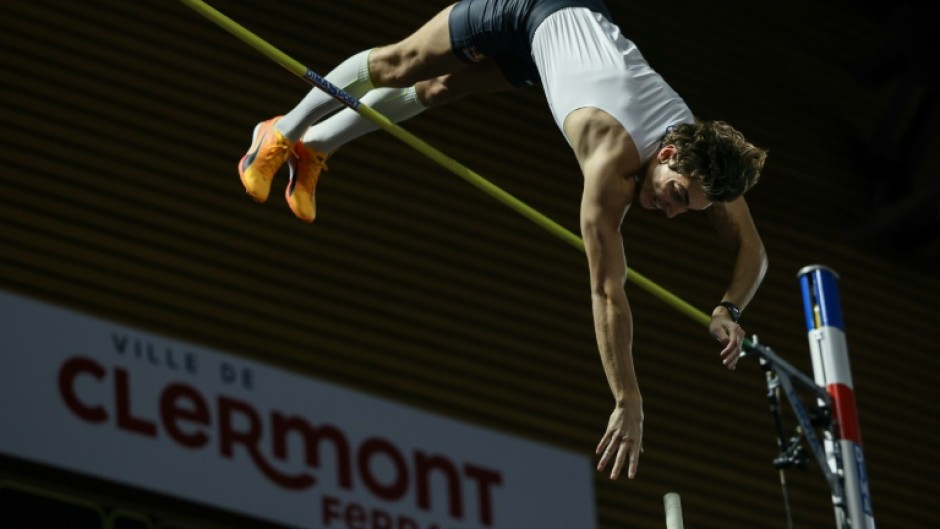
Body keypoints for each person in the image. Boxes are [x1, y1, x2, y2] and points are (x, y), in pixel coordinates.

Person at [237, 0, 768, 481]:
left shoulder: (699, 154)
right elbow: (609, 292)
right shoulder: (610, 165)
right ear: (670, 156)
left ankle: (315, 148)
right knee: (401, 63)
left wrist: (730, 309)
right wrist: (628, 397)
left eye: (688, 209)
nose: (672, 211)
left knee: (441, 88)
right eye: (675, 195)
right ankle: (283, 131)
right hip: (529, 8)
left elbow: (754, 251)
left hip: (555, 40)